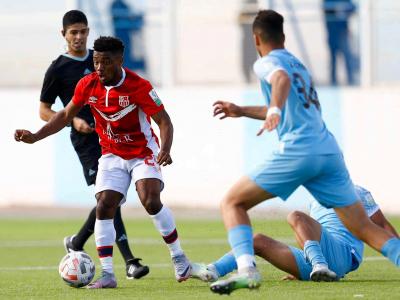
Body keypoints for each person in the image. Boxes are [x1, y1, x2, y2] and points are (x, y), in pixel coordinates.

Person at [209, 9, 399, 294]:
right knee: (364, 227)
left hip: (301, 149)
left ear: (256, 38)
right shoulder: (300, 65)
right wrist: (242, 110)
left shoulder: (266, 62)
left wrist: (273, 109)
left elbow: (280, 81)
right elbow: (286, 95)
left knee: (232, 203)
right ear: (284, 36)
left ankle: (248, 270)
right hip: (329, 150)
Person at [15, 36, 192, 289]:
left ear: (119, 60)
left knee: (150, 200)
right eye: (96, 61)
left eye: (105, 62)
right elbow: (65, 114)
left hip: (143, 152)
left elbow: (164, 121)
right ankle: (108, 275)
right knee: (104, 205)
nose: (99, 67)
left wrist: (165, 148)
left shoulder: (139, 86)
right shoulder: (87, 84)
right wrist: (35, 136)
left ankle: (179, 258)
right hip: (111, 154)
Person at [39, 10, 148, 280]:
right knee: (109, 199)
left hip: (113, 138)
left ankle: (76, 243)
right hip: (87, 141)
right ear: (63, 34)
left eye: (83, 31)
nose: (78, 37)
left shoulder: (100, 58)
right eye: (73, 32)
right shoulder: (58, 68)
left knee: (108, 199)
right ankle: (130, 261)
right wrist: (72, 121)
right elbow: (44, 110)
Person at [190, 186, 399, 289]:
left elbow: (382, 225)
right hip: (321, 260)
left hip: (344, 254)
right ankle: (214, 270)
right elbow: (314, 234)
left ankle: (318, 264)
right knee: (257, 240)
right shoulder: (313, 197)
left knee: (296, 216)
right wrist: (298, 267)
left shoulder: (357, 191)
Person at [323, 0, 357, 85]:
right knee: (333, 59)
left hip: (343, 33)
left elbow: (353, 7)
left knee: (347, 57)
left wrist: (342, 9)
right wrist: (338, 9)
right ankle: (333, 81)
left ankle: (351, 80)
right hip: (332, 33)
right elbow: (326, 9)